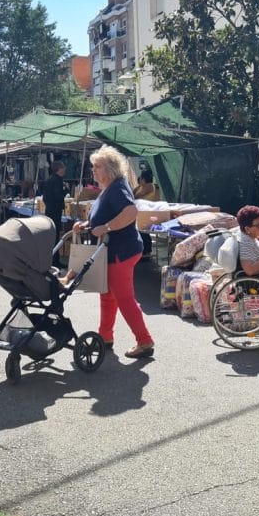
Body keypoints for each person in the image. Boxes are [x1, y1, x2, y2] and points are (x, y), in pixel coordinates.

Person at [72, 145, 154, 359]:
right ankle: (105, 337)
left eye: (97, 167)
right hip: (115, 250)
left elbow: (130, 212)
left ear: (109, 168)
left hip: (121, 250)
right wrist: (86, 224)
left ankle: (144, 341)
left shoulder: (117, 188)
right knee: (107, 295)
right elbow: (103, 217)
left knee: (124, 298)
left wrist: (106, 227)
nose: (93, 171)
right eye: (93, 167)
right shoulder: (111, 188)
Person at [42, 161, 67, 266]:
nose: (65, 170)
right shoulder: (57, 181)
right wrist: (66, 190)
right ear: (59, 169)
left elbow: (44, 198)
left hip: (49, 210)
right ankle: (55, 261)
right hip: (55, 211)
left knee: (51, 236)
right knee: (55, 236)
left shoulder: (48, 180)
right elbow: (58, 196)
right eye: (63, 168)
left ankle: (50, 259)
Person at [133, 169, 159, 262]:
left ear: (143, 178)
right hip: (144, 213)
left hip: (146, 214)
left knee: (142, 232)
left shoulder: (147, 187)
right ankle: (145, 251)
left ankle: (146, 252)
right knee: (142, 232)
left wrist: (139, 185)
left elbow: (134, 196)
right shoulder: (145, 186)